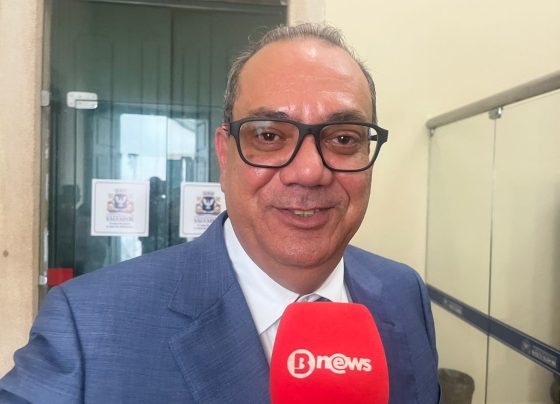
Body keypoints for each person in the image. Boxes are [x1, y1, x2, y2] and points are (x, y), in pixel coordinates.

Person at [0, 23, 439, 403]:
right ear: (224, 156)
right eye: (269, 135)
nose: (309, 172)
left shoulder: (404, 293)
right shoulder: (89, 326)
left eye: (343, 139)